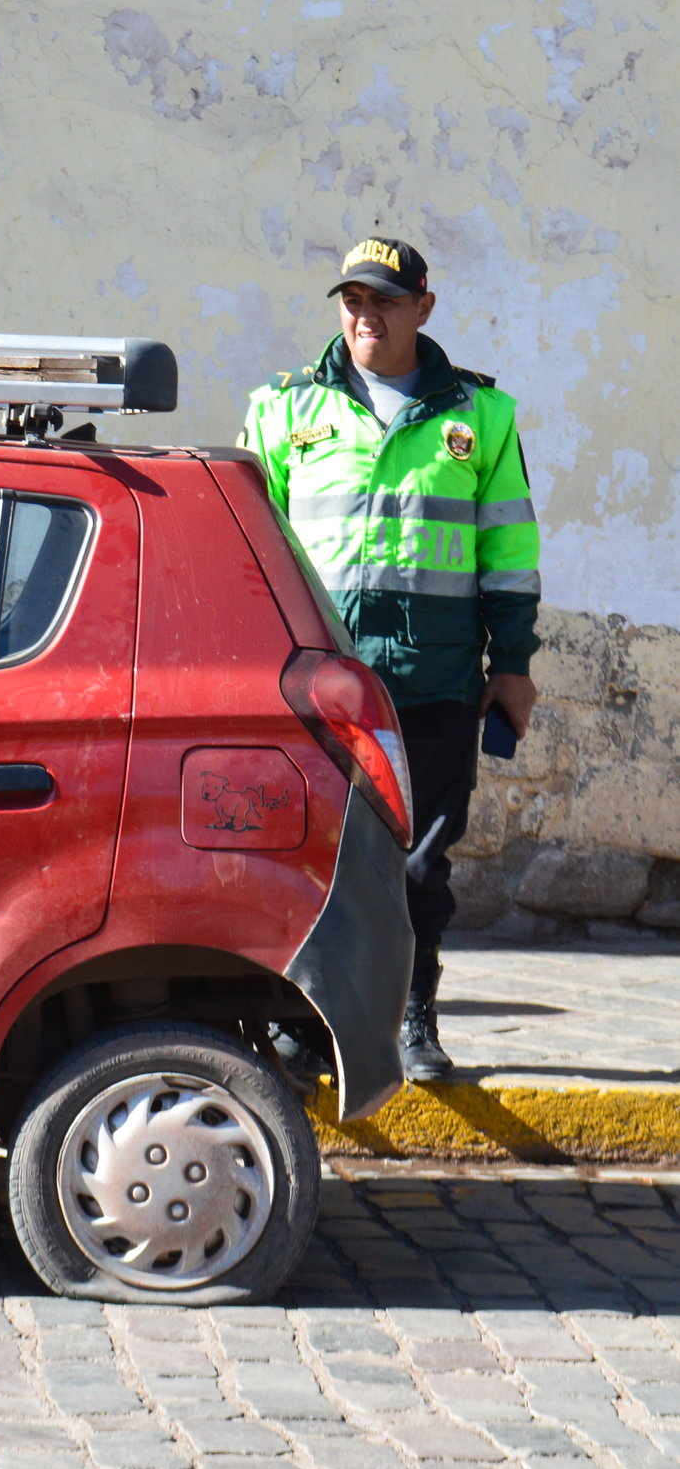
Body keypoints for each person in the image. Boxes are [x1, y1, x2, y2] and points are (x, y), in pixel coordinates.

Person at [240, 236, 541, 1082]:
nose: (366, 317)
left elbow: (509, 551)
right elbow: (250, 550)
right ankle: (302, 1029)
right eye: (353, 301)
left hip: (433, 680)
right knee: (314, 857)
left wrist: (511, 665)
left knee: (417, 866)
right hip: (317, 684)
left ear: (423, 310)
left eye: (385, 302)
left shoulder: (480, 416)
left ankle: (414, 1021)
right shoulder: (284, 409)